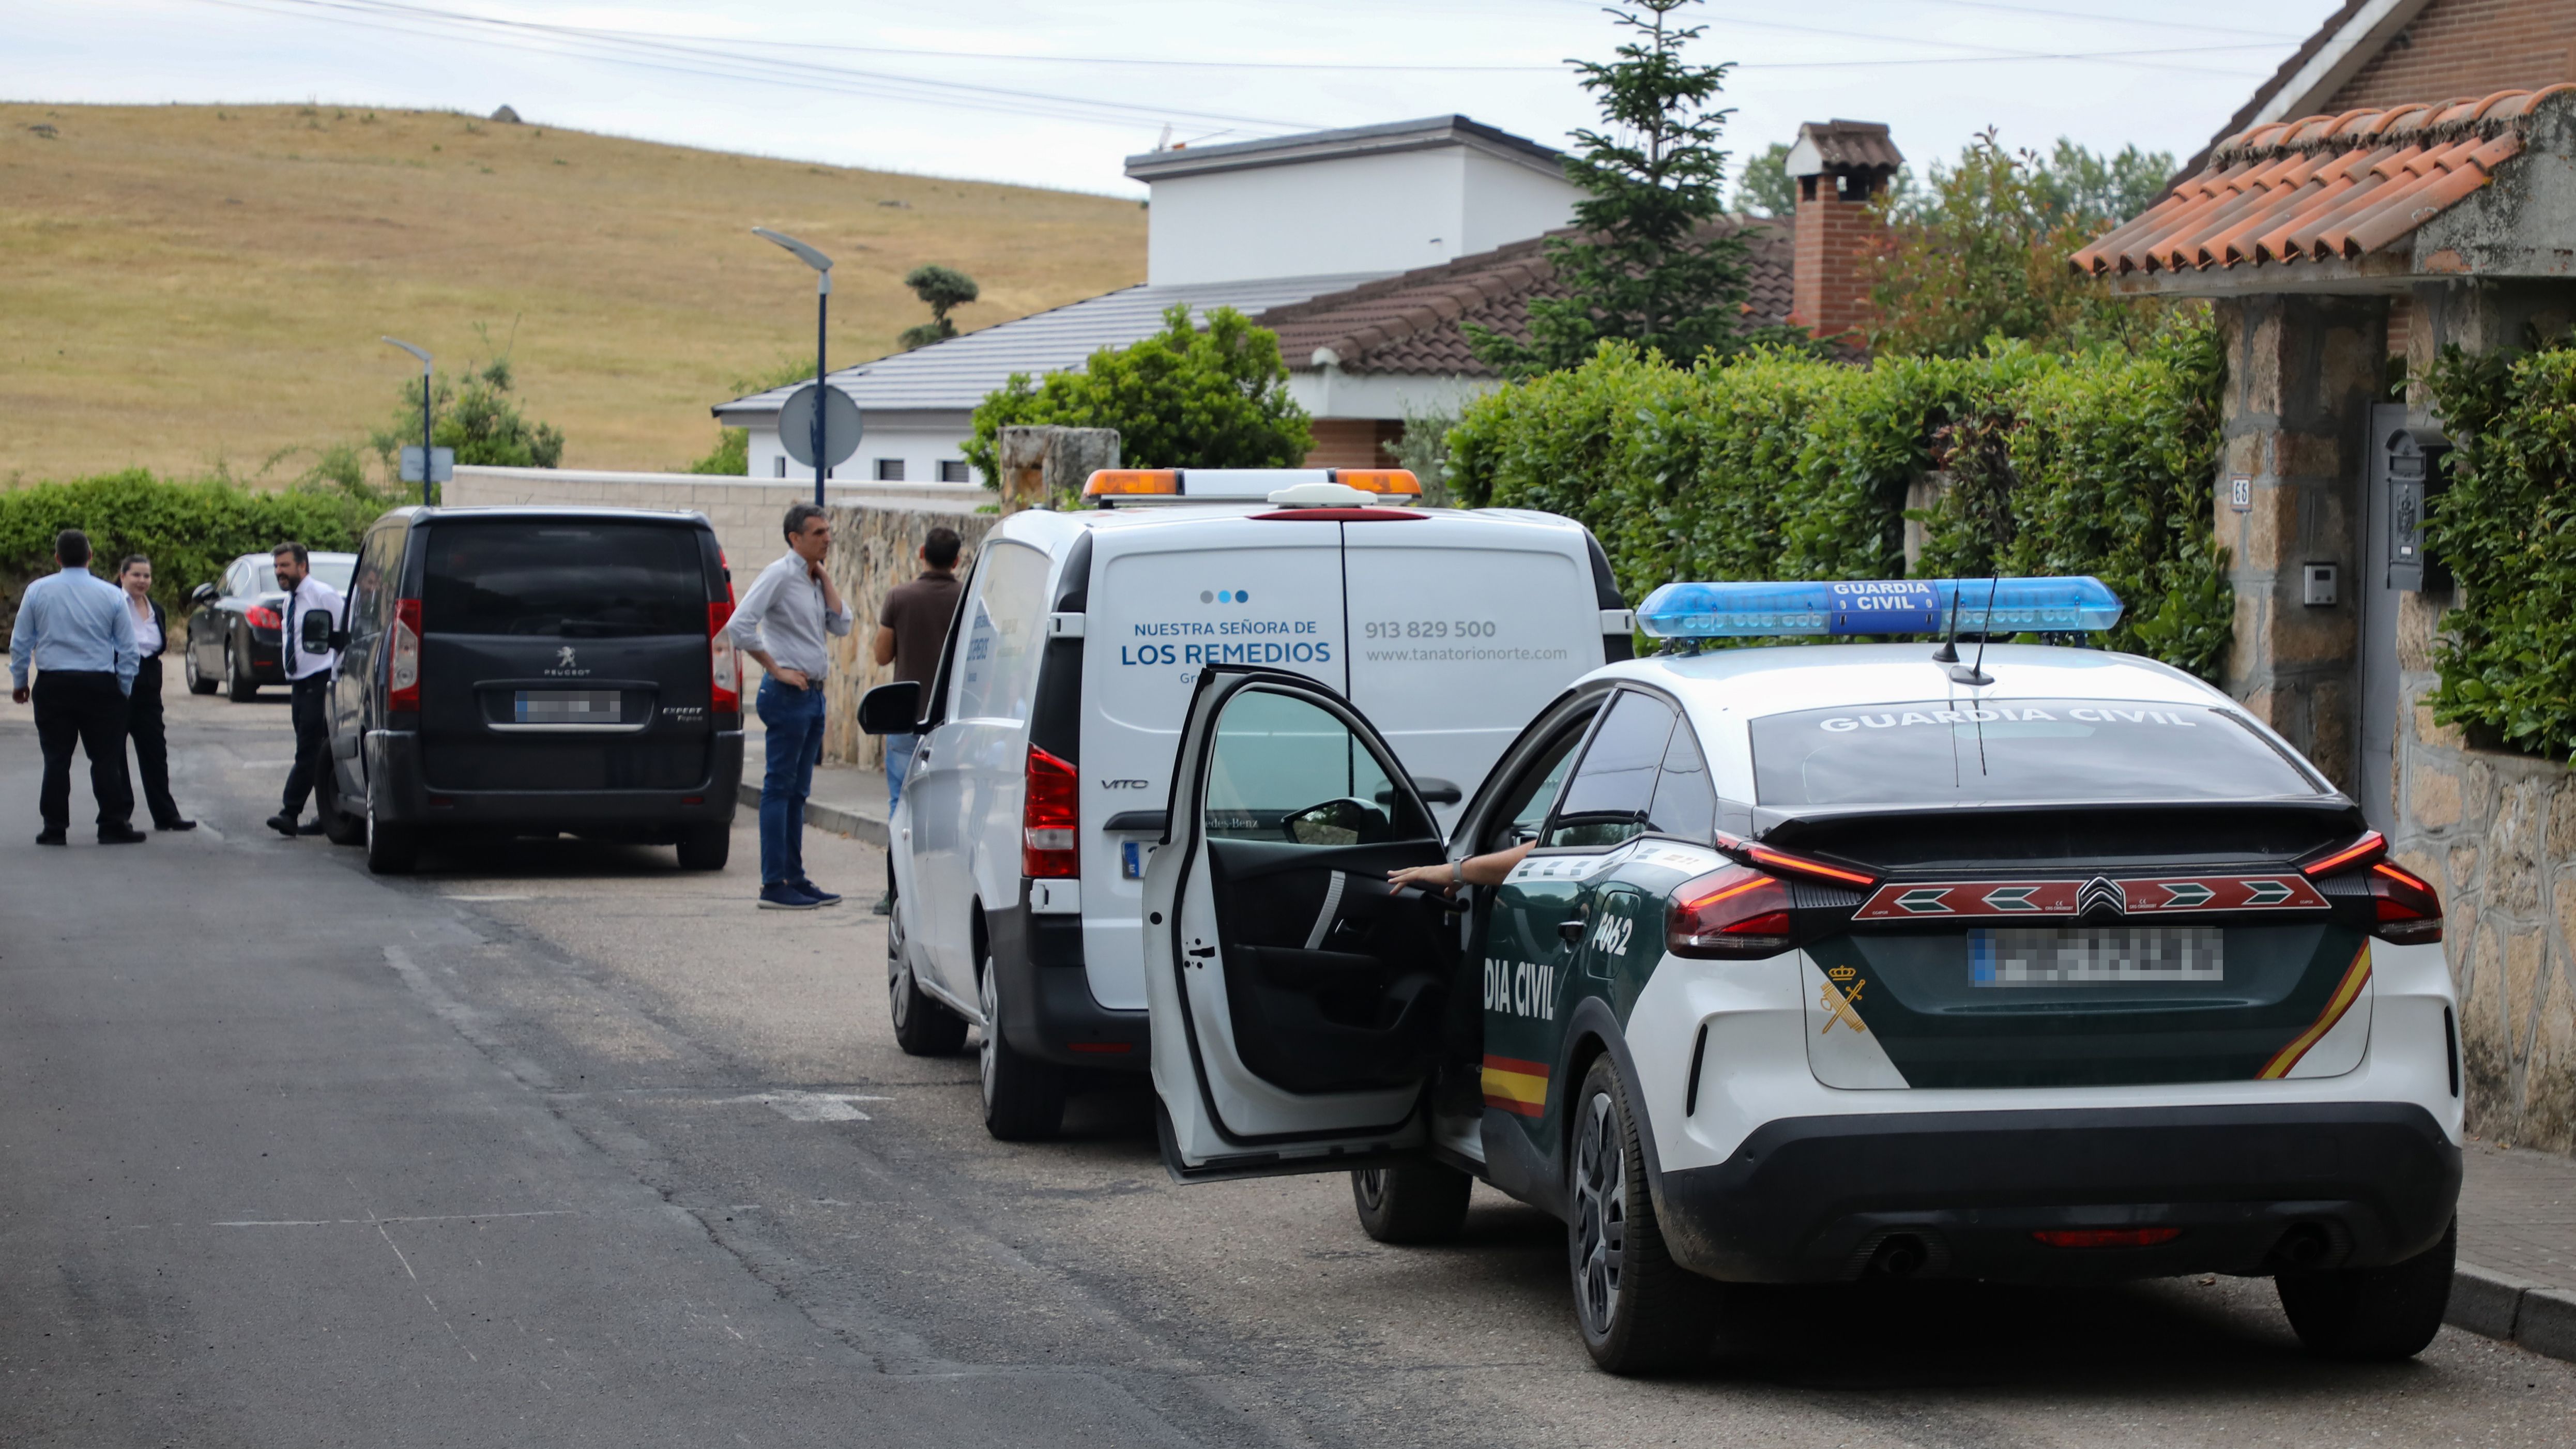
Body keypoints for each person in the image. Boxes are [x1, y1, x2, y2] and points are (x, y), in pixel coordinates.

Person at [727, 502, 851, 910]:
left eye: (828, 531)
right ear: (794, 538)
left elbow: (842, 624)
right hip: (787, 695)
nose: (827, 538)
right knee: (779, 789)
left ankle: (795, 878)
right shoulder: (779, 575)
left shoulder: (812, 579)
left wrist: (824, 574)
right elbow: (740, 625)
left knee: (798, 792)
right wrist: (776, 670)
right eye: (817, 533)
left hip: (813, 695)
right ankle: (773, 883)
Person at [8, 528, 143, 846]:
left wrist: (20, 681)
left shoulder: (38, 591)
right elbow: (128, 648)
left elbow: (21, 642)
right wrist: (123, 686)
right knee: (106, 758)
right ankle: (112, 823)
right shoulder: (110, 594)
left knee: (56, 758)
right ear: (90, 557)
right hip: (99, 684)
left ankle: (54, 827)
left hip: (54, 682)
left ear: (57, 558)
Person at [868, 526, 963, 913]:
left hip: (908, 721)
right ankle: (948, 891)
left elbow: (881, 654)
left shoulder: (899, 597)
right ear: (957, 560)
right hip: (954, 721)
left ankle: (896, 893)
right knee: (953, 808)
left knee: (901, 806)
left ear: (921, 551)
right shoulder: (967, 598)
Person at [265, 541, 345, 837]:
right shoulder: (290, 600)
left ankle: (290, 812)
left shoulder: (322, 595)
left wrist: (336, 678)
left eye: (284, 566)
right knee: (317, 749)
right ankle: (329, 814)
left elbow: (344, 636)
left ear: (302, 566)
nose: (279, 572)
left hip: (319, 680)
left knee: (309, 749)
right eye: (276, 567)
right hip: (299, 684)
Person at [115, 555, 194, 832]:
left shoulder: (157, 609)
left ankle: (166, 815)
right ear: (122, 576)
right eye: (136, 575)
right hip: (118, 686)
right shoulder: (112, 604)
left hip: (149, 687)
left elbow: (157, 646)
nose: (142, 581)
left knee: (155, 753)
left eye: (146, 576)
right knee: (115, 754)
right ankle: (121, 814)